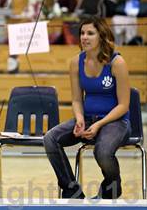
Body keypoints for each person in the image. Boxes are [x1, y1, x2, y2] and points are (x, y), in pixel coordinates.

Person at [44, 16, 131, 199]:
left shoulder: (117, 63)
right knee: (50, 138)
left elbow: (124, 105)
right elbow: (76, 99)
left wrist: (99, 125)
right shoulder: (76, 62)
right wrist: (80, 118)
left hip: (116, 121)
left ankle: (111, 187)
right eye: (82, 33)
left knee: (103, 152)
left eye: (90, 33)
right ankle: (71, 190)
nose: (84, 37)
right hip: (88, 118)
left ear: (102, 36)